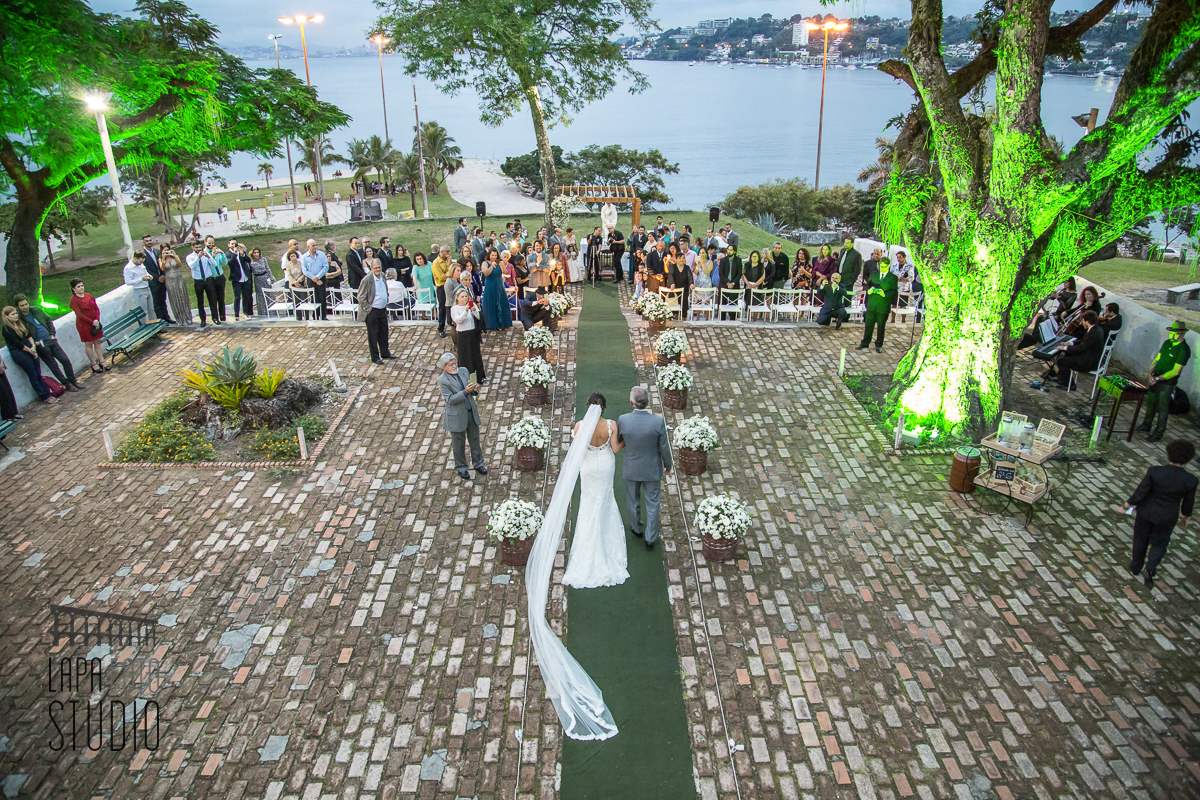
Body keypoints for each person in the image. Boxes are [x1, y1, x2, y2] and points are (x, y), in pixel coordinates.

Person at [562, 392, 630, 588]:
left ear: (588, 406)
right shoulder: (611, 425)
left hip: (589, 468)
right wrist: (626, 440)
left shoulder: (580, 427)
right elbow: (616, 449)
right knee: (606, 498)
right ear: (604, 408)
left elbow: (578, 452)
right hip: (606, 465)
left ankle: (588, 542)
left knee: (589, 501)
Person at [1123, 439, 1199, 591]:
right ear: (1188, 459)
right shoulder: (1190, 480)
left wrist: (1127, 504)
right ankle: (1150, 567)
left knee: (1140, 538)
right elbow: (1187, 503)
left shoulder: (1155, 471)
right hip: (1167, 515)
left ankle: (1136, 566)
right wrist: (1186, 516)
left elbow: (1142, 491)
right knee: (1160, 543)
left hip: (1146, 511)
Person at [618, 386, 671, 550]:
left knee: (633, 501)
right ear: (647, 403)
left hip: (632, 468)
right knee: (653, 504)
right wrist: (667, 465)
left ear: (631, 402)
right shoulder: (657, 422)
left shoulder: (623, 420)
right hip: (651, 469)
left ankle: (636, 528)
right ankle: (650, 538)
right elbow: (664, 447)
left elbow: (620, 438)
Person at [1138, 320, 1192, 442]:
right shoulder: (1167, 343)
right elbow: (1158, 358)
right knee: (1150, 402)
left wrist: (1158, 378)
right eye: (1171, 333)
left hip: (1167, 383)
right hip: (1155, 378)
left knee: (1162, 408)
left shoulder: (1184, 349)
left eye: (1175, 334)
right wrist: (1150, 372)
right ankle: (1146, 425)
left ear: (1182, 334)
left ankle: (1158, 433)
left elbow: (1176, 371)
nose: (1172, 336)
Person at [436, 353, 486, 480]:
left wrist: (475, 389)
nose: (454, 366)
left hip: (470, 410)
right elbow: (451, 400)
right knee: (458, 444)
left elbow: (472, 390)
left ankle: (478, 464)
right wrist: (466, 391)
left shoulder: (463, 371)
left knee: (474, 439)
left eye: (455, 363)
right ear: (444, 366)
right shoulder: (442, 381)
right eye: (451, 365)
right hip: (456, 416)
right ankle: (461, 467)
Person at [15, 296, 79, 391]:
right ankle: (66, 384)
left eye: (26, 304)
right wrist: (35, 343)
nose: (25, 307)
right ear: (18, 306)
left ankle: (73, 380)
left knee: (65, 360)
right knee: (53, 365)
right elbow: (23, 334)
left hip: (50, 339)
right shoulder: (19, 319)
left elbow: (48, 320)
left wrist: (52, 334)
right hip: (40, 344)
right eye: (22, 305)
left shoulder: (36, 310)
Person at [2, 306, 57, 404]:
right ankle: (44, 396)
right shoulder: (7, 329)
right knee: (33, 375)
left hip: (29, 348)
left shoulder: (21, 323)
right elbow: (17, 343)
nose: (16, 316)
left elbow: (29, 335)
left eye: (16, 313)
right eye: (13, 314)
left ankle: (47, 393)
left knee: (38, 373)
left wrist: (33, 347)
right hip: (19, 352)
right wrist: (30, 351)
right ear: (7, 317)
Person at [1051, 311, 1105, 388]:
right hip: (1090, 357)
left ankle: (1070, 385)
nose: (1082, 323)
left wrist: (1065, 348)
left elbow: (1082, 348)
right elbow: (1085, 343)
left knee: (1061, 362)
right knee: (1068, 354)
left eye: (1083, 321)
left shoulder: (1093, 333)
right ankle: (1062, 377)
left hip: (1088, 363)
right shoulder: (1096, 329)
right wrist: (1071, 344)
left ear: (1087, 322)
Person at [357, 258, 395, 364]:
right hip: (372, 311)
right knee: (373, 335)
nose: (378, 269)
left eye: (379, 267)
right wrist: (368, 309)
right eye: (375, 268)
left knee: (384, 332)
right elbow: (361, 297)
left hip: (382, 309)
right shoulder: (367, 279)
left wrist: (386, 299)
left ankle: (385, 352)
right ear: (371, 268)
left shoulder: (382, 275)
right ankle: (375, 357)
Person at [860, 257, 898, 352]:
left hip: (883, 306)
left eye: (885, 267)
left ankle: (879, 345)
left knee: (881, 326)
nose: (883, 268)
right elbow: (867, 285)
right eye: (881, 266)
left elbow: (894, 292)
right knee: (868, 325)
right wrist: (869, 290)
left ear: (888, 266)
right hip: (872, 304)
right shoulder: (873, 274)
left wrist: (884, 294)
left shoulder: (893, 278)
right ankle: (865, 343)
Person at [69, 279, 107, 373]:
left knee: (97, 342)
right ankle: (93, 363)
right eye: (78, 286)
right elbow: (79, 314)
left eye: (82, 285)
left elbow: (96, 308)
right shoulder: (74, 300)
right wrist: (91, 321)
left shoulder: (89, 296)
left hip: (95, 322)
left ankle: (102, 361)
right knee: (89, 343)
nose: (81, 288)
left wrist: (97, 320)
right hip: (84, 324)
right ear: (74, 289)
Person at [451, 287, 486, 384]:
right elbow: (458, 320)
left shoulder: (472, 304)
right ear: (457, 298)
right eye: (462, 296)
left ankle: (478, 377)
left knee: (475, 355)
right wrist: (465, 311)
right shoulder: (454, 309)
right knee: (465, 357)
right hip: (463, 335)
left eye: (466, 296)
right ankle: (466, 378)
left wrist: (474, 310)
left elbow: (478, 317)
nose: (465, 298)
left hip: (473, 333)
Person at [185, 241, 221, 328]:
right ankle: (203, 320)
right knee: (200, 301)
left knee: (212, 299)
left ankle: (215, 318)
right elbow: (192, 266)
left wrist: (209, 257)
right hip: (198, 281)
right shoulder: (190, 257)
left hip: (208, 279)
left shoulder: (206, 255)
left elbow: (214, 264)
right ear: (192, 248)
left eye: (199, 247)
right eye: (196, 247)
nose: (198, 249)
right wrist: (198, 257)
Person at [141, 235, 173, 324]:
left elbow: (163, 264)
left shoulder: (156, 251)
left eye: (150, 240)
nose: (149, 242)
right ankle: (161, 320)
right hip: (153, 282)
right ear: (143, 242)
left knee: (163, 300)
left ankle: (167, 318)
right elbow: (146, 269)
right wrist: (157, 278)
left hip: (162, 280)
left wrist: (163, 275)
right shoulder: (143, 254)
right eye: (147, 241)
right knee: (156, 302)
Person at [159, 246, 192, 326]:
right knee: (174, 299)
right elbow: (162, 269)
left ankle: (187, 317)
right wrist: (163, 258)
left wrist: (174, 256)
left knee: (183, 297)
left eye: (168, 250)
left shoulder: (175, 257)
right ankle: (179, 319)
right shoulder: (160, 259)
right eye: (165, 250)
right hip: (169, 281)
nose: (167, 252)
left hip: (178, 279)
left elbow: (180, 265)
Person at [300, 239, 330, 320]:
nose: (315, 247)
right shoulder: (304, 257)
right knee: (314, 298)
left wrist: (318, 277)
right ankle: (315, 315)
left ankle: (323, 316)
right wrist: (314, 278)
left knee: (322, 297)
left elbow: (325, 267)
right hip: (311, 279)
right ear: (308, 246)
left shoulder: (321, 255)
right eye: (313, 245)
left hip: (321, 279)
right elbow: (305, 270)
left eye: (316, 245)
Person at [481, 250, 511, 330]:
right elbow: (486, 273)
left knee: (502, 302)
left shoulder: (499, 262)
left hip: (499, 285)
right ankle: (491, 324)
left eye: (495, 255)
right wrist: (491, 266)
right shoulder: (485, 263)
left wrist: (502, 265)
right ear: (489, 255)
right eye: (492, 255)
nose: (494, 257)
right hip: (490, 286)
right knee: (491, 304)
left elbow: (505, 271)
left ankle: (502, 323)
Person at [123, 251, 156, 321]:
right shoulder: (128, 268)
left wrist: (148, 275)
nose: (141, 263)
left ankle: (155, 324)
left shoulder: (141, 265)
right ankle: (144, 327)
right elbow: (128, 282)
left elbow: (144, 272)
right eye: (140, 261)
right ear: (135, 258)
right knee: (144, 311)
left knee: (151, 310)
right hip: (139, 290)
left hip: (147, 288)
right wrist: (141, 279)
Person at [226, 239, 254, 319]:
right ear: (229, 245)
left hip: (245, 277)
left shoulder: (241, 253)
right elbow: (230, 263)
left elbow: (248, 260)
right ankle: (236, 315)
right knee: (237, 297)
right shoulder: (228, 254)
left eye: (235, 244)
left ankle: (245, 313)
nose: (234, 245)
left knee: (246, 296)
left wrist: (242, 254)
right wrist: (234, 254)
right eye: (232, 244)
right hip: (236, 279)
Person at [205, 237, 228, 321]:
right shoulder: (204, 253)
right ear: (205, 242)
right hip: (210, 279)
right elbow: (206, 265)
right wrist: (211, 257)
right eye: (209, 243)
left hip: (220, 277)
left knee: (221, 298)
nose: (211, 245)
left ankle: (222, 316)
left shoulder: (217, 251)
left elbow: (225, 262)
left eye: (212, 243)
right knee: (213, 299)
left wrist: (222, 254)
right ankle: (215, 318)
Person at [432, 245, 453, 337]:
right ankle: (441, 328)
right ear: (442, 252)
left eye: (449, 251)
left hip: (449, 284)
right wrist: (449, 272)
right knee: (442, 307)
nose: (449, 253)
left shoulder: (447, 261)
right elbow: (441, 277)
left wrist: (450, 264)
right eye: (447, 251)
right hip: (441, 286)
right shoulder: (436, 263)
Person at [248, 248, 274, 319]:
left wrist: (271, 277)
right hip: (257, 278)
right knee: (260, 296)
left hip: (265, 277)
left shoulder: (263, 259)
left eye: (257, 252)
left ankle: (272, 311)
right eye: (254, 253)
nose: (256, 254)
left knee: (269, 294)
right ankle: (262, 313)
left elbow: (268, 268)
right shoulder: (250, 261)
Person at [667, 242, 692, 311]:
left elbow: (690, 277)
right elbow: (670, 275)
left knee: (684, 301)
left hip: (684, 288)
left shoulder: (687, 267)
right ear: (677, 259)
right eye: (679, 258)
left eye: (683, 258)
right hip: (674, 287)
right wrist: (672, 283)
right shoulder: (673, 266)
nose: (681, 260)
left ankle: (684, 316)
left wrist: (691, 284)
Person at [719, 247, 743, 320]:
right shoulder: (723, 260)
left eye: (731, 250)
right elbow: (721, 273)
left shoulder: (738, 260)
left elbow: (739, 273)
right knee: (723, 303)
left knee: (733, 303)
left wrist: (733, 283)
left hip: (734, 286)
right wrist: (727, 283)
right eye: (728, 250)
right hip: (724, 285)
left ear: (735, 251)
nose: (729, 251)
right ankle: (722, 320)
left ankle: (733, 319)